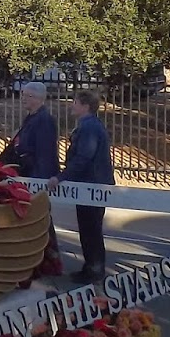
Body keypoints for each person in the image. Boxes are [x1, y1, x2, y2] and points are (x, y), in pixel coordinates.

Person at [50, 89, 114, 283]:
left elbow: (83, 158)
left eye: (75, 102)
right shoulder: (88, 125)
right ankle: (90, 267)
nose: (72, 105)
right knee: (88, 228)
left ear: (85, 106)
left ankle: (94, 270)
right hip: (88, 185)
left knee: (91, 228)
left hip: (92, 186)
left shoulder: (89, 128)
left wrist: (61, 177)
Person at [2, 82, 59, 179]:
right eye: (23, 95)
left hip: (36, 175)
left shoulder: (44, 120)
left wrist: (39, 180)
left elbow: (45, 153)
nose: (23, 99)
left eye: (29, 96)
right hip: (27, 172)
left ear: (39, 98)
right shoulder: (31, 118)